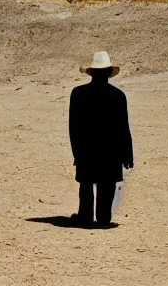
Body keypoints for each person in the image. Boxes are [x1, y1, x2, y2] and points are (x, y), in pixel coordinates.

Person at [68, 51, 134, 228]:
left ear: (93, 73)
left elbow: (73, 128)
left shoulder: (78, 94)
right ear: (108, 73)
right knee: (107, 185)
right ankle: (104, 218)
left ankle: (85, 216)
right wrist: (128, 155)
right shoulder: (118, 96)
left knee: (86, 185)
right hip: (111, 151)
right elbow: (123, 128)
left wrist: (76, 152)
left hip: (86, 149)